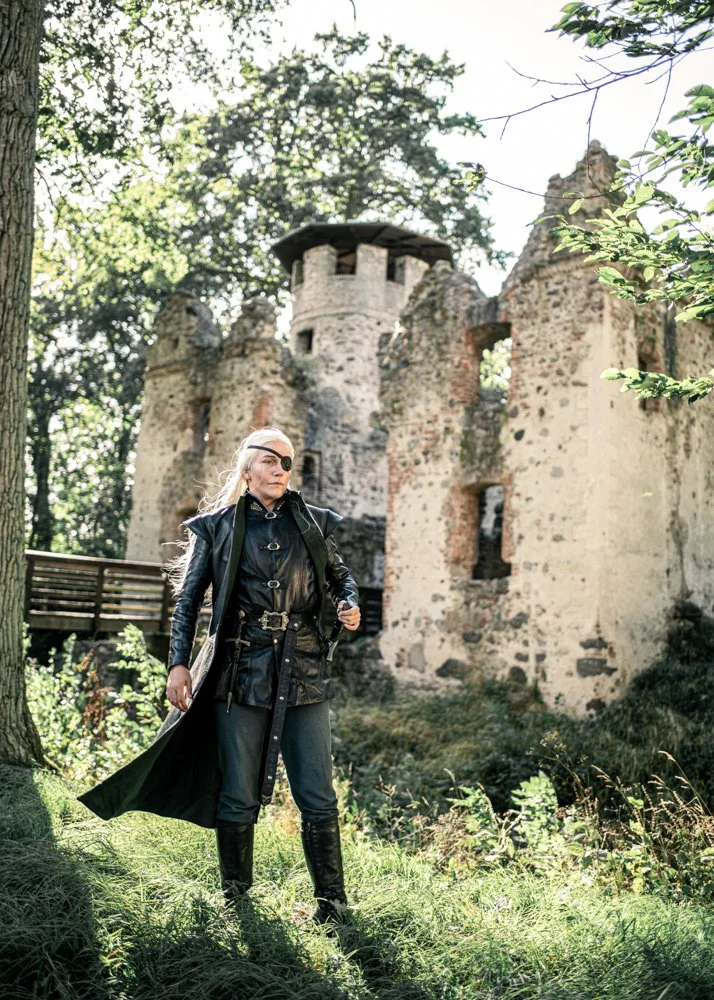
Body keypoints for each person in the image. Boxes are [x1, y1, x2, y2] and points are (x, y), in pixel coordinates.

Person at [78, 427, 360, 926]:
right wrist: (178, 663)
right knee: (238, 793)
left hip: (304, 670)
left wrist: (349, 604)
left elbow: (341, 578)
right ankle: (238, 903)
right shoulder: (217, 527)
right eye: (270, 460)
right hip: (239, 672)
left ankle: (333, 906)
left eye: (287, 462)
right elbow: (188, 601)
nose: (280, 469)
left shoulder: (313, 522)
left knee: (317, 793)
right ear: (247, 467)